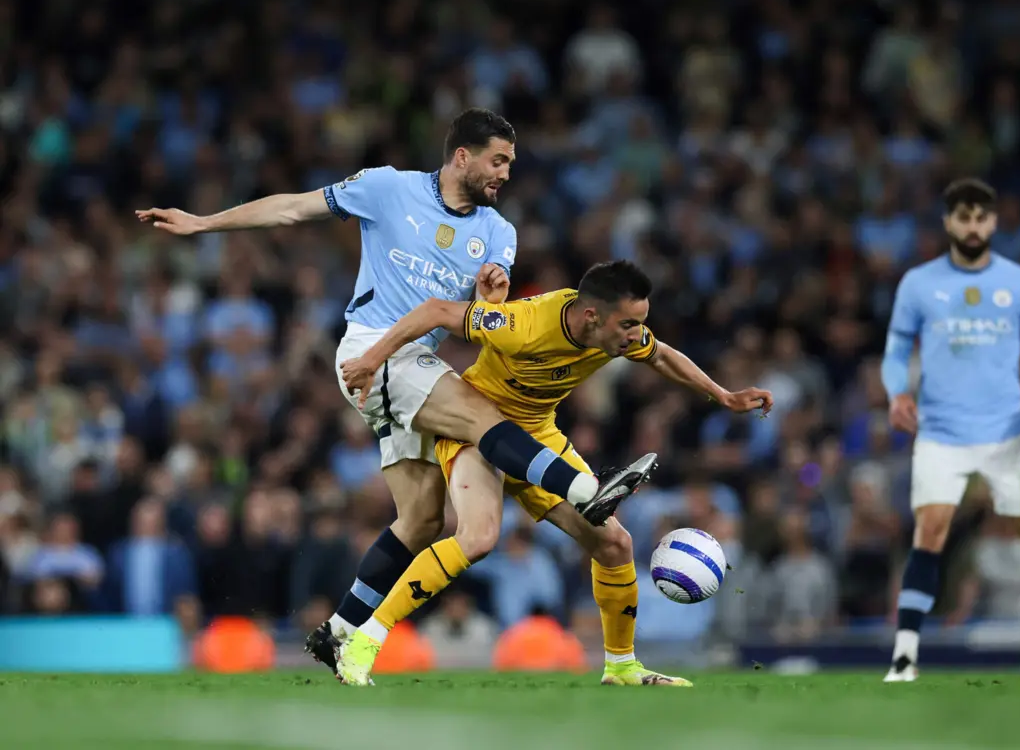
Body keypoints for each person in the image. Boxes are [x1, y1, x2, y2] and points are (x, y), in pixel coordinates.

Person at [135, 108, 650, 656]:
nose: (505, 173)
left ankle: (337, 632)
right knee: (483, 416)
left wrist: (492, 301)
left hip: (414, 364)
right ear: (462, 157)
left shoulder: (499, 233)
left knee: (422, 519)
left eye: (510, 164)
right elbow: (291, 209)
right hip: (371, 352)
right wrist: (203, 223)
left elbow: (483, 322)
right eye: (497, 161)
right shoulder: (385, 188)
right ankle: (587, 489)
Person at [333, 260, 773, 686]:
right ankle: (362, 642)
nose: (636, 335)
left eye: (640, 322)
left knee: (615, 543)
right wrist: (372, 359)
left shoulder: (619, 334)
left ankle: (622, 667)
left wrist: (724, 395)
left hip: (538, 436)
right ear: (591, 315)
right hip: (476, 427)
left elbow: (660, 355)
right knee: (479, 537)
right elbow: (434, 311)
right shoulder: (525, 324)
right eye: (628, 325)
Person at [881, 178, 1020, 683]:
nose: (973, 227)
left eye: (981, 218)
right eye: (964, 218)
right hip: (942, 431)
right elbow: (894, 353)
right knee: (929, 530)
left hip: (1007, 431)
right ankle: (904, 656)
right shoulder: (918, 284)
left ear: (992, 223)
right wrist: (897, 395)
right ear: (949, 223)